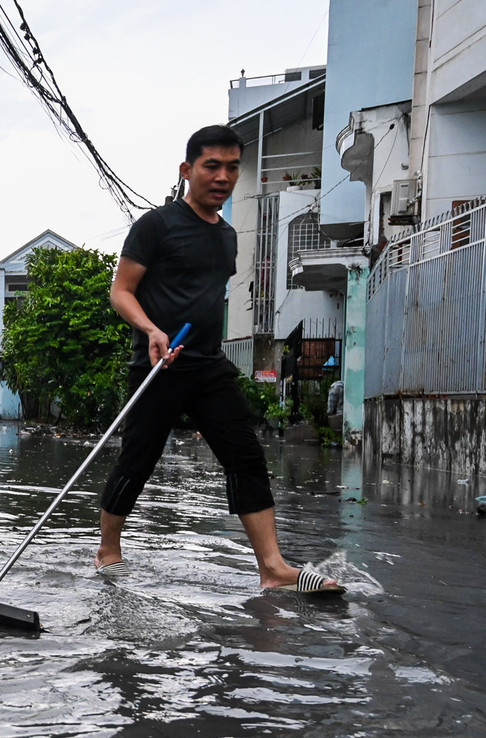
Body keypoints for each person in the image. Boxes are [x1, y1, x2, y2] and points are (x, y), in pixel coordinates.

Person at [94, 124, 343, 594]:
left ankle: (272, 568)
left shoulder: (227, 236)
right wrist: (150, 329)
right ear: (188, 170)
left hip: (208, 364)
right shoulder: (156, 226)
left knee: (245, 455)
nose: (223, 176)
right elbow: (121, 291)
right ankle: (108, 549)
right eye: (212, 166)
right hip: (159, 365)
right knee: (138, 459)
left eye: (232, 167)